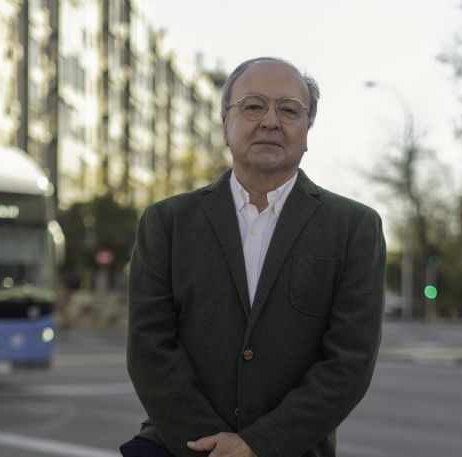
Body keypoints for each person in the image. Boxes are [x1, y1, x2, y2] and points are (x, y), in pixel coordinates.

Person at [121, 56, 386, 457]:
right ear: (225, 125)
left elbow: (350, 362)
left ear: (307, 130)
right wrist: (211, 444)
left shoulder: (354, 228)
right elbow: (149, 348)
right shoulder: (167, 223)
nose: (270, 121)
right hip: (179, 446)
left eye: (289, 110)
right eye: (253, 106)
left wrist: (258, 446)